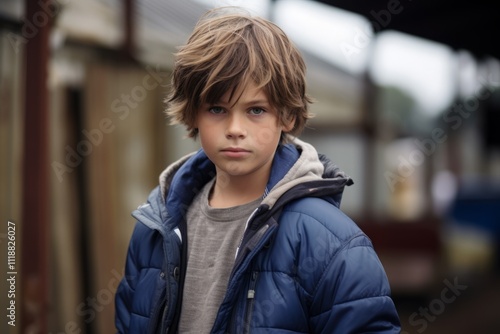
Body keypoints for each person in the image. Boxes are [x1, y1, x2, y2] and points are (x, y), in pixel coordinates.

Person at [115, 7, 401, 334]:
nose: (235, 128)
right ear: (193, 114)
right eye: (217, 108)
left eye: (256, 110)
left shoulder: (332, 242)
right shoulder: (155, 225)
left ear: (287, 117)